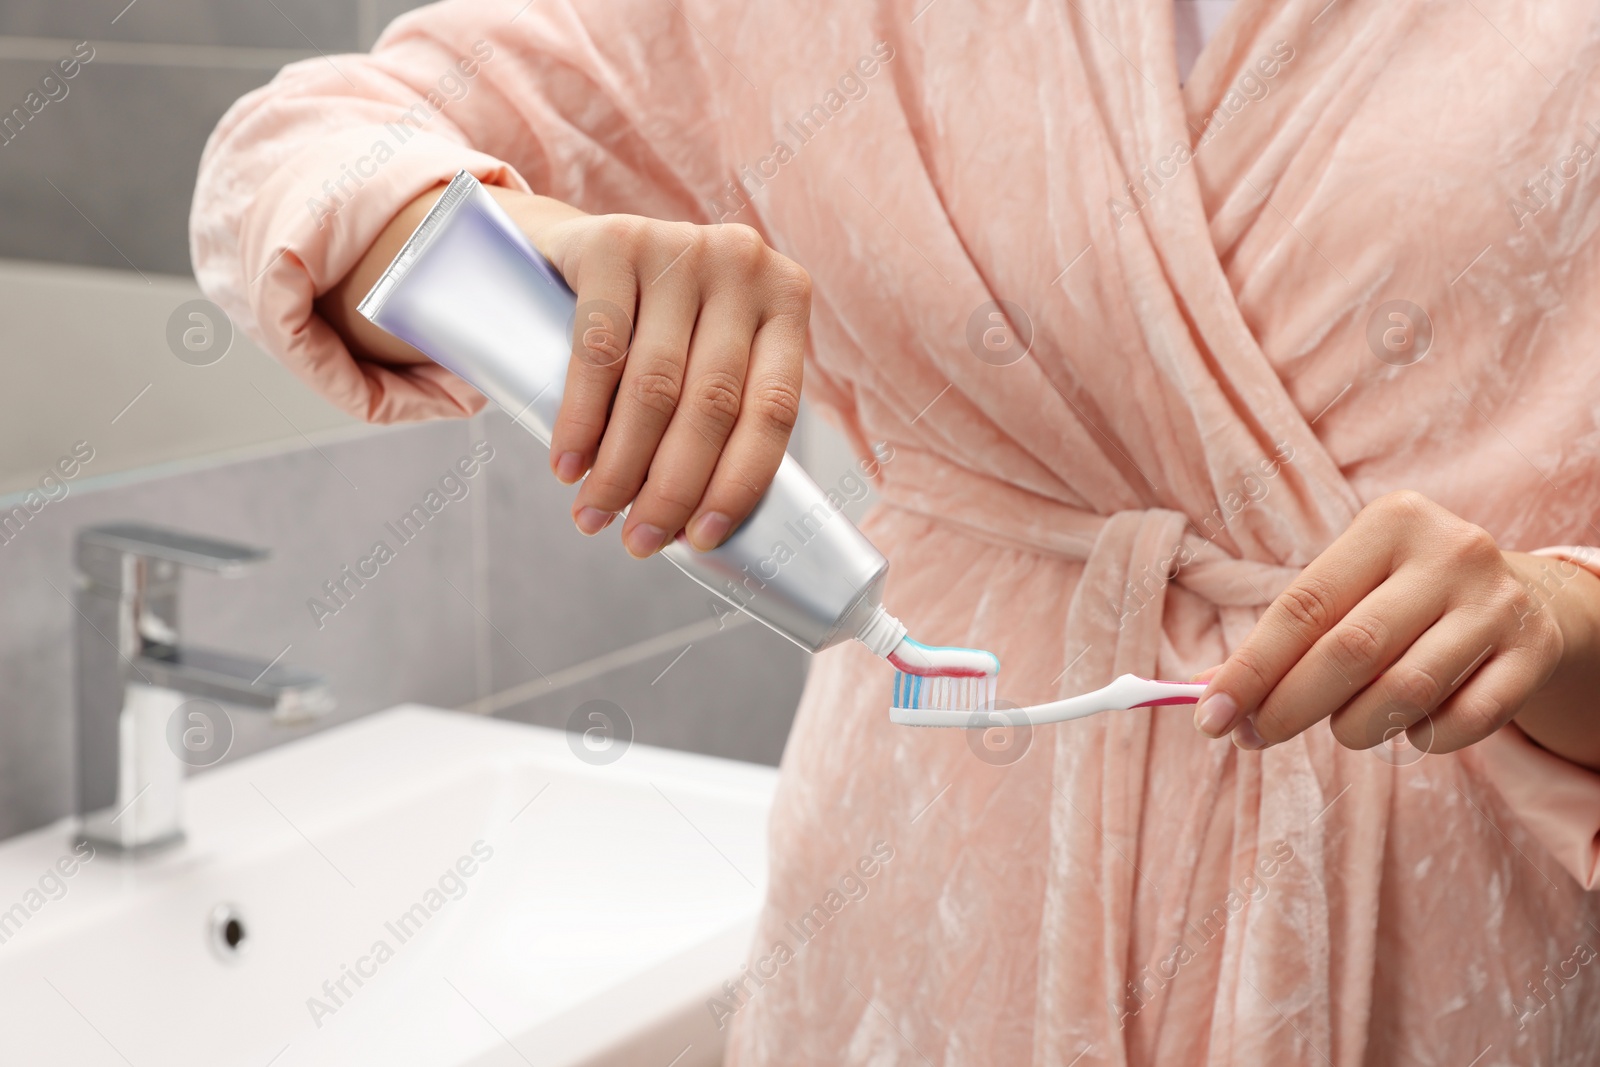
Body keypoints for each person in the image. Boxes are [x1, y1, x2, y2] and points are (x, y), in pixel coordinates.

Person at [191, 0, 1600, 1061]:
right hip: (919, 902)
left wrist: (1556, 619)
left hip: (1443, 910)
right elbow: (297, 151)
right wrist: (491, 245)